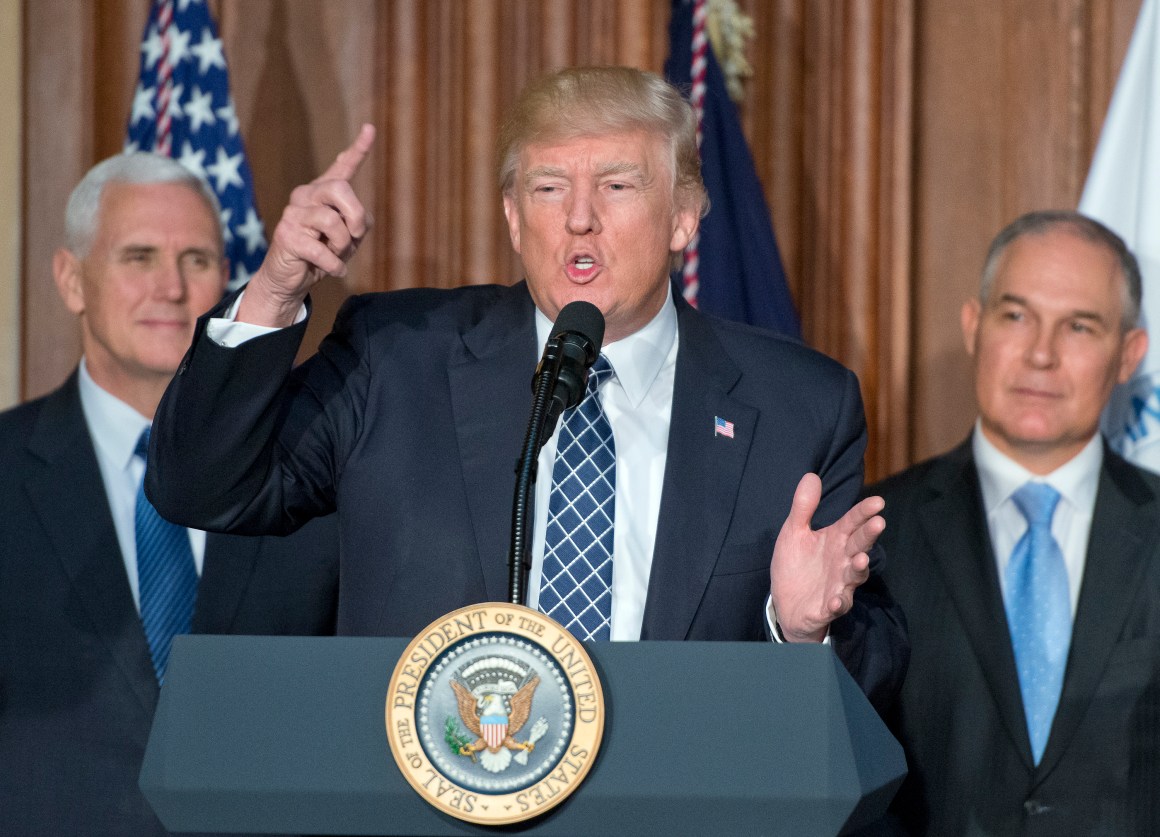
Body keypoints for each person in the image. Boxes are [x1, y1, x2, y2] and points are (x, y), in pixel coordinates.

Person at [147, 66, 907, 712]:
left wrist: (799, 629)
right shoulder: (397, 358)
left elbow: (873, 679)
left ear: (684, 217)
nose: (580, 219)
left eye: (616, 184)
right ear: (513, 217)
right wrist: (277, 291)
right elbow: (204, 488)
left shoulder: (799, 406)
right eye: (549, 187)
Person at [0, 153, 340, 836]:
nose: (172, 288)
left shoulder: (313, 467)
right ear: (71, 280)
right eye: (139, 256)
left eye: (197, 259)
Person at [865, 210, 1159, 834]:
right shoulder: (873, 536)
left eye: (1079, 326)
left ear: (1129, 354)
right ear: (974, 326)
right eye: (1016, 316)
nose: (1041, 354)